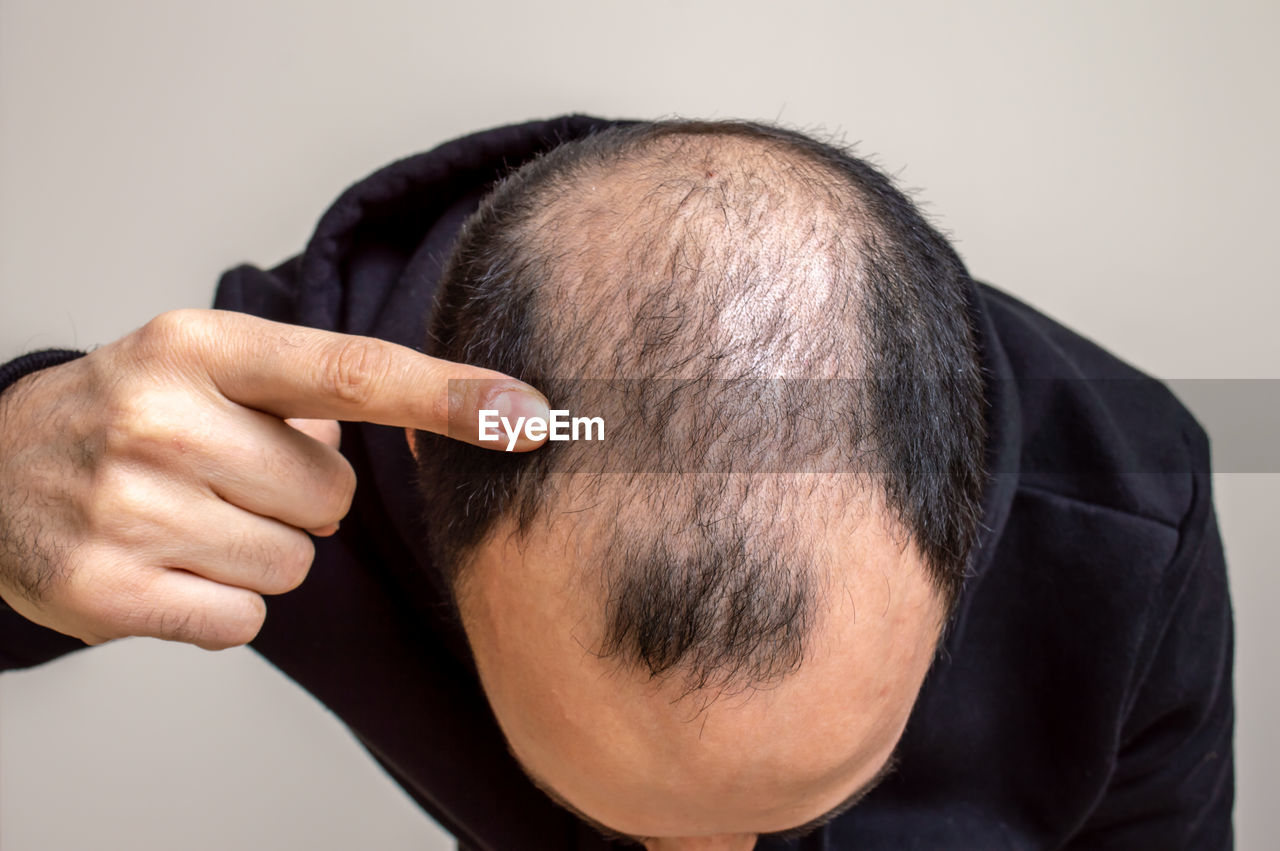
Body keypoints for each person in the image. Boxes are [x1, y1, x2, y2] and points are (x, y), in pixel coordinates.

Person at [0, 115, 1234, 849]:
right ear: (426, 472)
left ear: (973, 504)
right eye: (618, 812)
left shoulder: (1127, 500)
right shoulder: (296, 438)